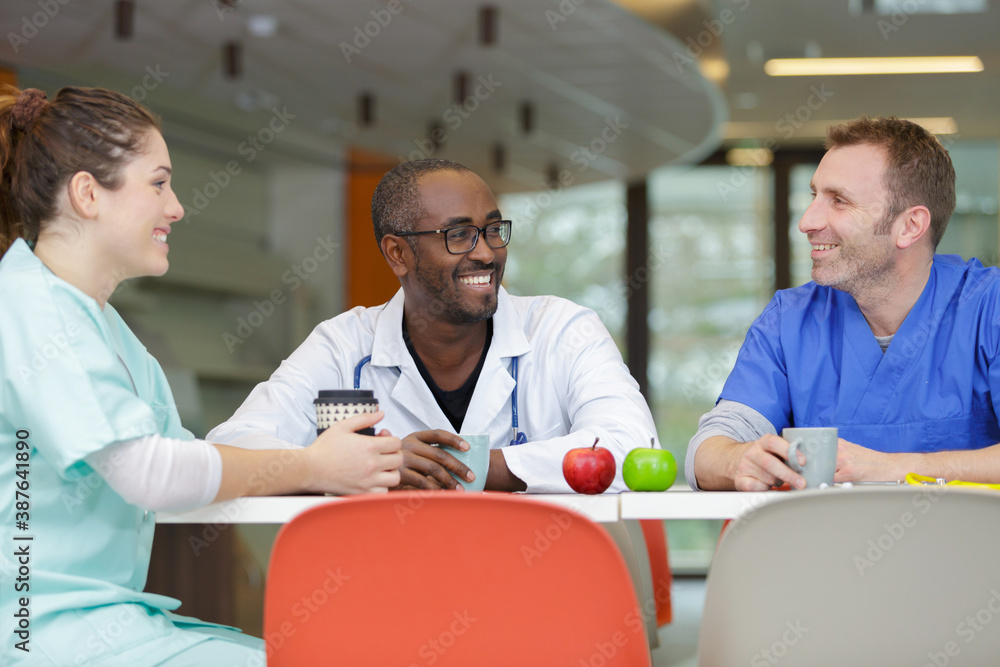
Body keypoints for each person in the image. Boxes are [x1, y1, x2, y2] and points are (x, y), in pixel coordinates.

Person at [0, 86, 403, 666]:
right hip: (37, 636)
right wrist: (312, 464)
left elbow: (183, 465)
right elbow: (148, 473)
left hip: (102, 622)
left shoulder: (107, 330)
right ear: (88, 194)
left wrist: (332, 466)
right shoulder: (33, 309)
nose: (177, 208)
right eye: (158, 183)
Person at [208, 158, 658, 493]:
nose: (485, 253)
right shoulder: (343, 346)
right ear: (397, 254)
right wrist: (367, 463)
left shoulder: (562, 330)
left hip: (540, 581)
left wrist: (460, 467)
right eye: (458, 234)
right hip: (395, 586)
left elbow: (632, 446)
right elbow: (232, 446)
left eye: (493, 229)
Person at [687, 115, 1000, 491]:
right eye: (813, 196)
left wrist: (892, 468)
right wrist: (738, 459)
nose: (806, 221)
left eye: (839, 200)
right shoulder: (791, 321)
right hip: (824, 549)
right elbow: (706, 453)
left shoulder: (987, 309)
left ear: (910, 226)